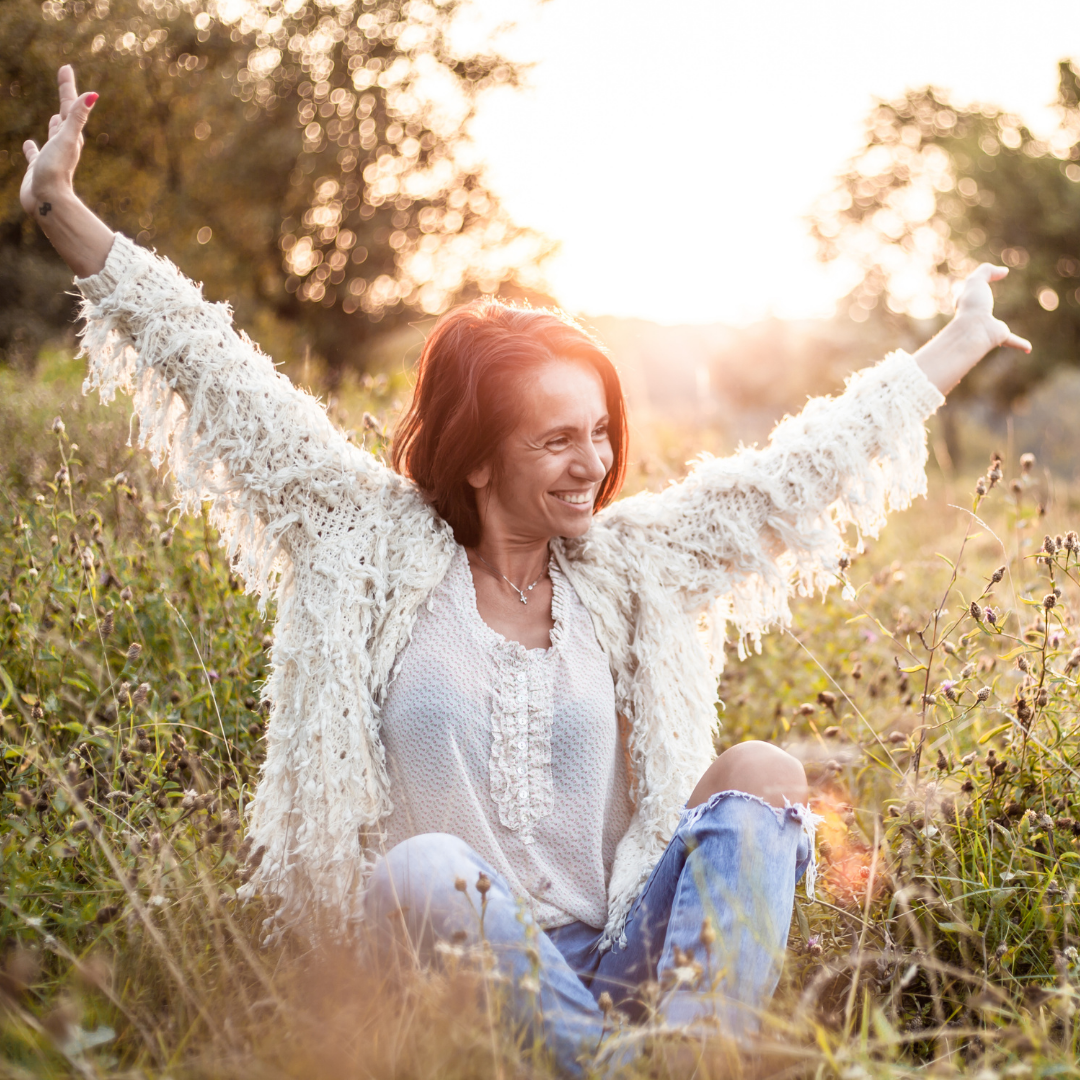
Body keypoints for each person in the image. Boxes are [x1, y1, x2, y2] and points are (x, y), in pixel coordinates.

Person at [22, 66, 1031, 1074]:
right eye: (555, 440)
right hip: (445, 969)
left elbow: (791, 479)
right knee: (425, 868)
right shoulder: (365, 540)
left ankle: (675, 1053)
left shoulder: (627, 564)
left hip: (629, 963)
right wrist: (64, 212)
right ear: (476, 453)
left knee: (764, 773)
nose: (592, 461)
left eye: (599, 431)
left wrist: (952, 343)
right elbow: (216, 368)